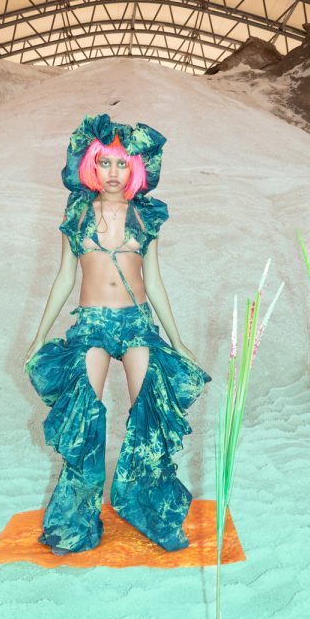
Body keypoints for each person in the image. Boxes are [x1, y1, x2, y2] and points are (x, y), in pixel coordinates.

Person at [23, 113, 211, 556]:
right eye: (104, 162)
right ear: (91, 164)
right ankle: (75, 523)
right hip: (91, 323)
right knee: (84, 423)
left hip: (137, 323)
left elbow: (155, 282)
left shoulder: (145, 216)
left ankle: (149, 510)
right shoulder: (76, 214)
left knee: (149, 418)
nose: (112, 172)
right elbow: (64, 278)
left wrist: (177, 340)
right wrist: (39, 335)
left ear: (135, 169)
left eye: (122, 164)